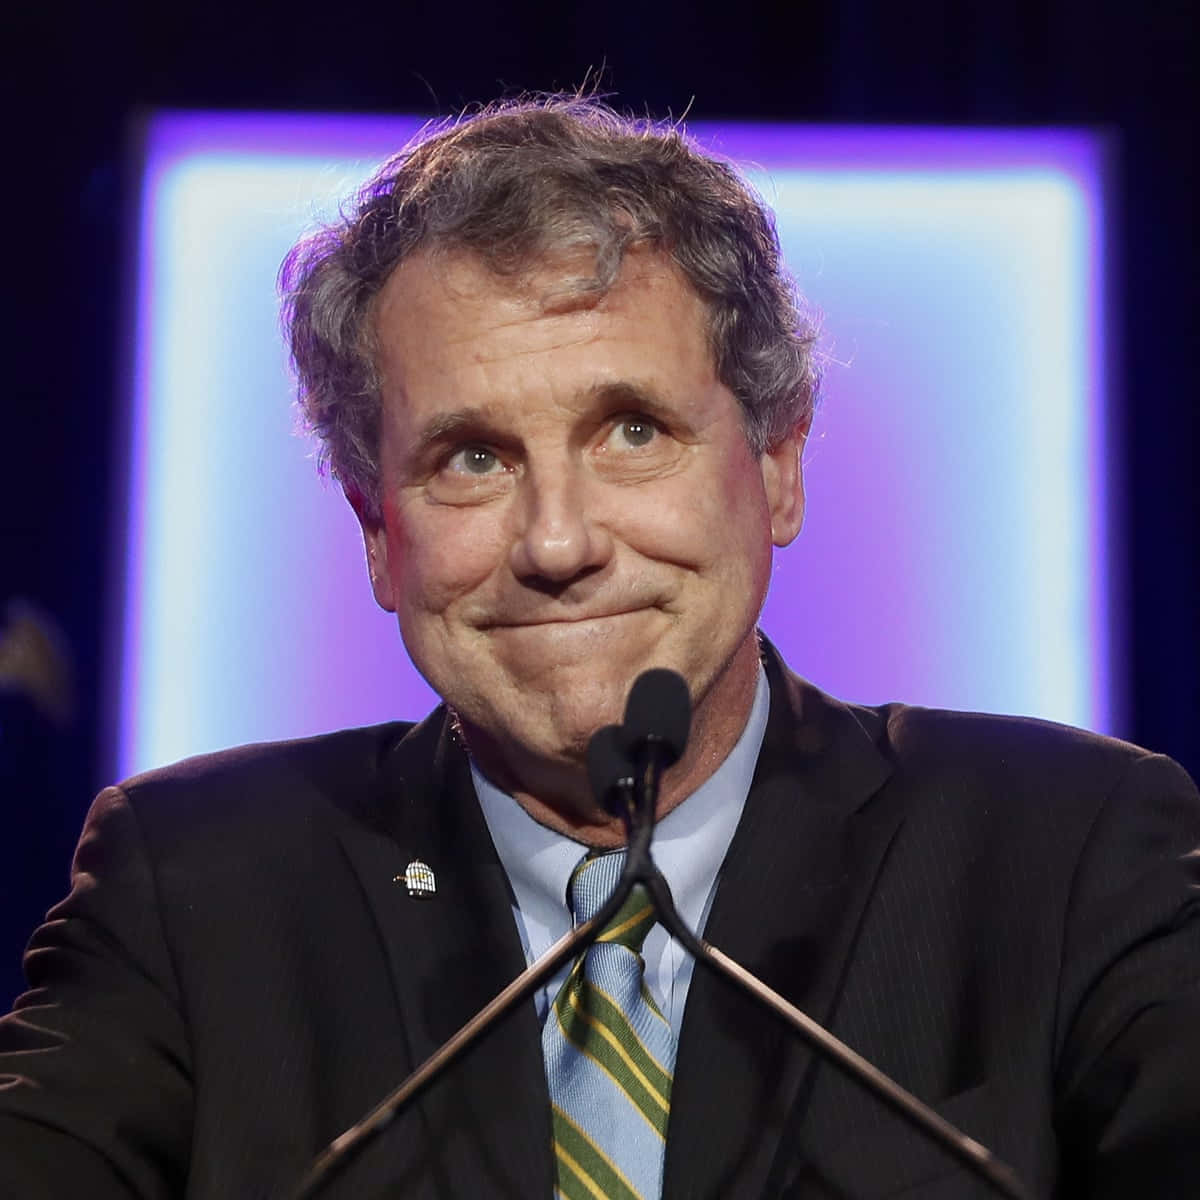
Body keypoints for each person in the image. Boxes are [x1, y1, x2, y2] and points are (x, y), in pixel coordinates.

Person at [1, 96, 1198, 1200]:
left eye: (633, 430)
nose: (558, 542)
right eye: (471, 457)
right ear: (378, 532)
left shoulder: (1069, 852)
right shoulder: (192, 890)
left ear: (777, 464)